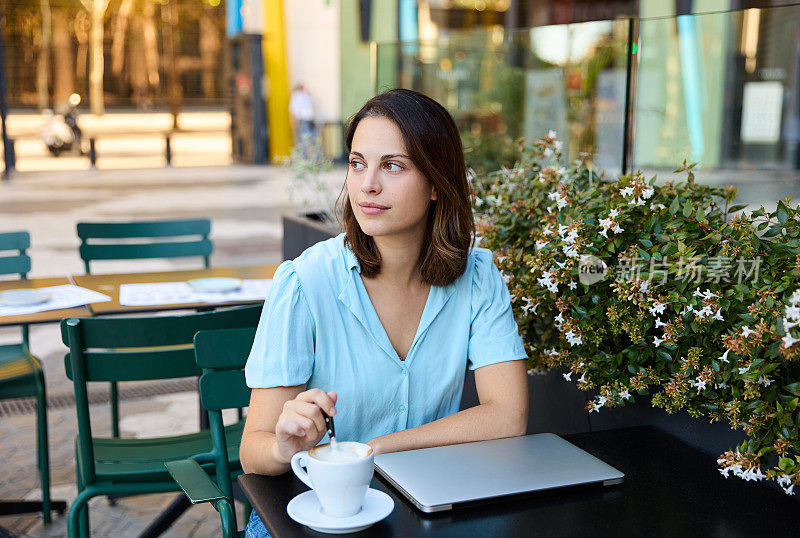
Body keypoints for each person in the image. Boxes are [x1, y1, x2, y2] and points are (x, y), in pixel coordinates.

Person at [241, 89, 529, 537]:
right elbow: (253, 449)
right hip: (315, 514)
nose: (367, 184)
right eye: (357, 163)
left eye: (392, 165)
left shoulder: (477, 276)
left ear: (437, 184)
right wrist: (286, 447)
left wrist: (371, 449)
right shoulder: (305, 282)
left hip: (423, 509)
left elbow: (508, 415)